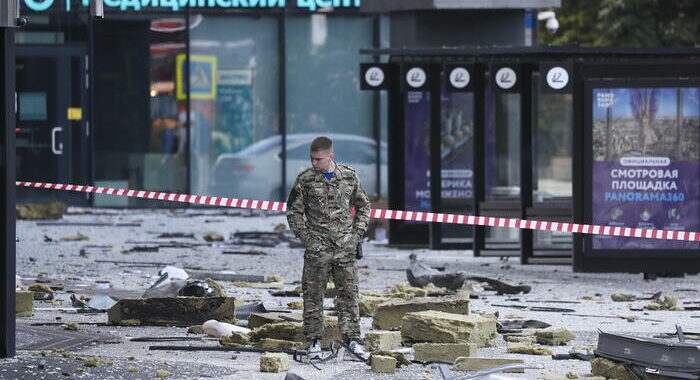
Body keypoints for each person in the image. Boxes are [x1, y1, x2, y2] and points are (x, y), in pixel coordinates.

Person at [286, 136, 372, 361]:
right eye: (312, 159)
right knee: (313, 296)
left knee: (349, 296)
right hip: (318, 249)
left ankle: (353, 340)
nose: (315, 163)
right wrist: (307, 238)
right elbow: (293, 212)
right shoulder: (304, 180)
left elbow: (363, 206)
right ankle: (314, 341)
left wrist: (356, 234)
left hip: (345, 248)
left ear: (330, 157)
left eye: (319, 159)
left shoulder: (349, 176)